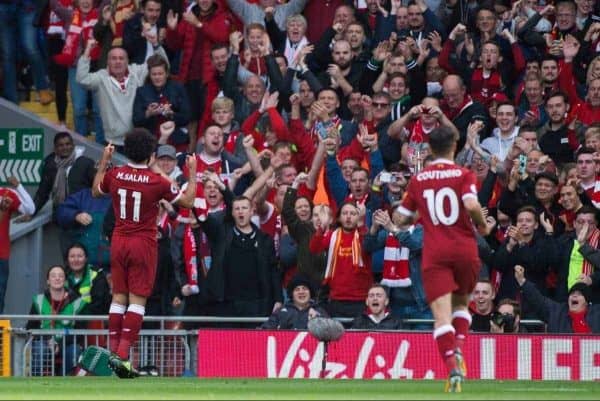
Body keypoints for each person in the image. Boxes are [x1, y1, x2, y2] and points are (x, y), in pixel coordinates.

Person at [91, 128, 197, 378]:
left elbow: (96, 190)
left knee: (118, 298)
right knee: (137, 301)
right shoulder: (157, 181)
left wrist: (105, 161)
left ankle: (114, 353)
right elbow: (189, 202)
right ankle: (121, 357)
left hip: (118, 240)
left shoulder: (115, 174)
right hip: (143, 242)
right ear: (151, 154)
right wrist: (192, 172)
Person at [395, 126, 490, 392]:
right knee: (461, 305)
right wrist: (483, 226)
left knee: (441, 317)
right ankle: (458, 349)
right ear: (455, 145)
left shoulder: (420, 179)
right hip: (464, 250)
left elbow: (401, 218)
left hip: (435, 254)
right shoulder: (464, 174)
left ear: (429, 148)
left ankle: (452, 371)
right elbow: (472, 205)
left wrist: (418, 214)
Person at [26, 265, 87, 376]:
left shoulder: (78, 302)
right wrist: (49, 340)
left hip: (68, 343)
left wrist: (60, 343)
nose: (57, 278)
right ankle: (35, 382)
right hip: (44, 342)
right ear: (48, 281)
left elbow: (80, 331)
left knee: (74, 350)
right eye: (53, 276)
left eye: (60, 276)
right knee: (40, 349)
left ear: (65, 280)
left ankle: (65, 383)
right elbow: (30, 327)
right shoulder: (38, 300)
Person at [515, 265, 600, 333]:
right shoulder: (557, 312)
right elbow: (538, 300)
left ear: (586, 302)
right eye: (572, 294)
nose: (574, 296)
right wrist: (522, 281)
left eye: (579, 294)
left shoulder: (596, 313)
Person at [0, 176, 35, 313]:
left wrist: (18, 185)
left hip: (1, 254)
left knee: (0, 295)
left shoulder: (6, 194)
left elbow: (30, 209)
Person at [261, 274, 327, 330]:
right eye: (297, 289)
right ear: (292, 294)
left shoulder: (319, 311)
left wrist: (317, 320)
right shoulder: (281, 312)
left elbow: (331, 333)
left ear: (310, 293)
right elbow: (263, 331)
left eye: (304, 288)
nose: (301, 292)